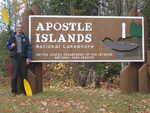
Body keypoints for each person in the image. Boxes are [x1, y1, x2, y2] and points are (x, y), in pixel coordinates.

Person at [6, 24, 32, 97]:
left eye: (20, 27)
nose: (19, 29)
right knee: (14, 75)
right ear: (16, 29)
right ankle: (14, 92)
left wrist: (28, 58)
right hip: (15, 58)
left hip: (23, 58)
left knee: (23, 75)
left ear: (22, 29)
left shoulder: (25, 37)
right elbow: (7, 46)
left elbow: (29, 48)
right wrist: (11, 46)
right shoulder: (12, 37)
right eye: (18, 27)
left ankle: (24, 92)